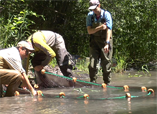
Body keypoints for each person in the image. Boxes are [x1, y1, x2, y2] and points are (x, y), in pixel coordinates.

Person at [86, 0, 113, 85]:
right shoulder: (90, 16)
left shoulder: (106, 15)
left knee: (106, 64)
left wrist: (107, 43)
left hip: (105, 40)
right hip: (94, 42)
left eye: (95, 8)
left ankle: (107, 84)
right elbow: (89, 31)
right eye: (92, 9)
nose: (94, 11)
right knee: (92, 64)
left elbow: (109, 30)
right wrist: (100, 27)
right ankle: (92, 83)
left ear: (99, 5)